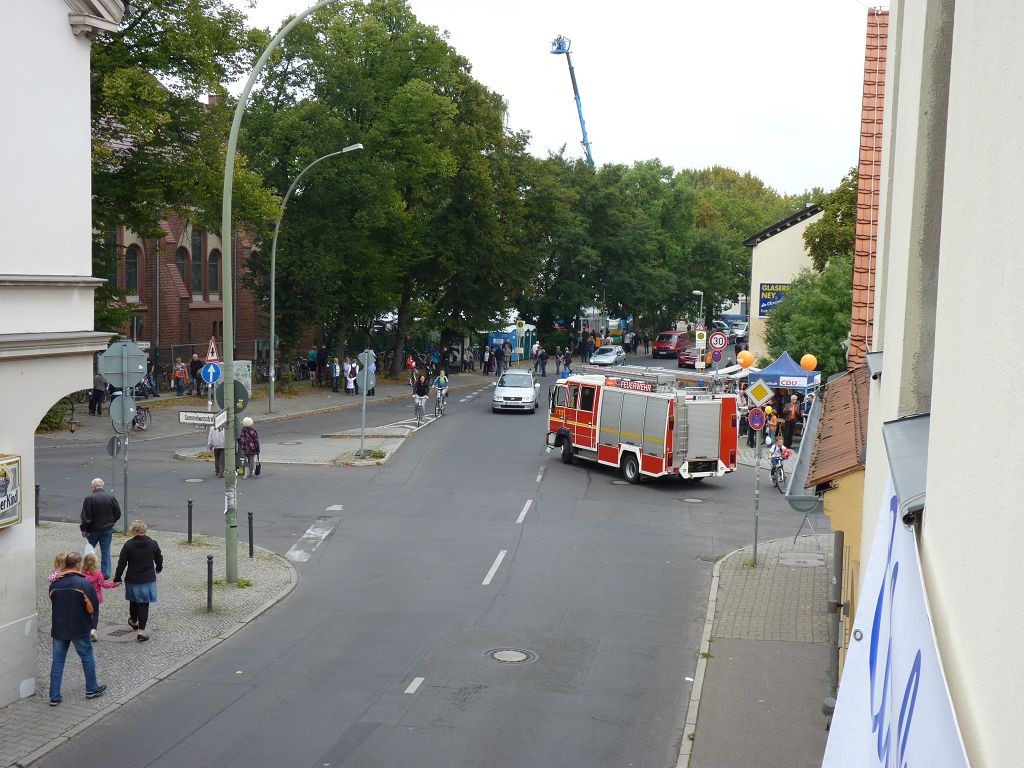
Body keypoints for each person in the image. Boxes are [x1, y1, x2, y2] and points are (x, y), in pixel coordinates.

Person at [48, 551, 106, 705]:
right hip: (79, 628)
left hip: (59, 628)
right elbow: (92, 608)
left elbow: (53, 602)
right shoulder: (83, 583)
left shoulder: (54, 584)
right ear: (78, 565)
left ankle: (54, 696)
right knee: (87, 657)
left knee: (58, 662)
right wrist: (93, 626)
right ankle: (92, 689)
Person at [114, 519, 162, 642]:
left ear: (133, 531)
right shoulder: (153, 543)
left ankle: (134, 621)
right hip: (147, 579)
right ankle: (141, 632)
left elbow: (121, 564)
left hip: (132, 579)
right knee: (144, 604)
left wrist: (117, 578)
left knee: (134, 601)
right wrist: (159, 568)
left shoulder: (128, 545)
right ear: (144, 530)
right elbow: (159, 558)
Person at [80, 478, 121, 579]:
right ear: (102, 486)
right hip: (107, 529)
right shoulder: (111, 497)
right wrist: (111, 522)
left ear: (93, 487)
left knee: (90, 551)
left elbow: (86, 517)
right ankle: (106, 573)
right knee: (106, 551)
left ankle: (88, 570)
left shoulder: (89, 498)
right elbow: (117, 513)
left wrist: (84, 529)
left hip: (92, 530)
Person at [81, 552, 120, 642]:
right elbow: (104, 584)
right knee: (95, 614)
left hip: (84, 597)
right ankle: (93, 630)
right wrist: (114, 584)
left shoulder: (82, 574)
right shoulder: (98, 574)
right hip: (95, 598)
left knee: (86, 614)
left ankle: (86, 630)